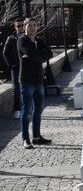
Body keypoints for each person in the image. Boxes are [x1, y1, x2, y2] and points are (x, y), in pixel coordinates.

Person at [17, 18, 52, 149]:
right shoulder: (22, 41)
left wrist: (35, 56)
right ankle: (25, 139)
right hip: (26, 81)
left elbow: (49, 53)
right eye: (30, 25)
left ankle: (36, 137)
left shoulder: (39, 41)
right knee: (26, 111)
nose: (32, 28)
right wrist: (37, 55)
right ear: (24, 27)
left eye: (35, 25)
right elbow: (35, 55)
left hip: (38, 81)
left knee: (38, 110)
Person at [2, 19, 24, 119]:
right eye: (18, 26)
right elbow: (5, 53)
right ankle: (17, 110)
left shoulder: (27, 37)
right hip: (16, 68)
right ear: (15, 28)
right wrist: (11, 65)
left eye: (21, 25)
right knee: (16, 89)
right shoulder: (11, 39)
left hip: (26, 67)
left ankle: (26, 108)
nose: (20, 27)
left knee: (27, 88)